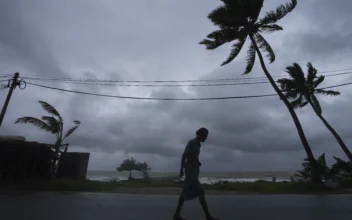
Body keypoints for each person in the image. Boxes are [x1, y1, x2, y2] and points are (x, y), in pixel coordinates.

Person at [173, 127, 220, 220]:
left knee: (184, 194)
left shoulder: (198, 144)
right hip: (190, 172)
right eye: (205, 136)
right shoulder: (192, 143)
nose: (206, 138)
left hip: (193, 170)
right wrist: (181, 169)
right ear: (200, 135)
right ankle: (208, 217)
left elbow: (193, 156)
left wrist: (197, 162)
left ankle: (176, 215)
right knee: (201, 192)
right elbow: (184, 155)